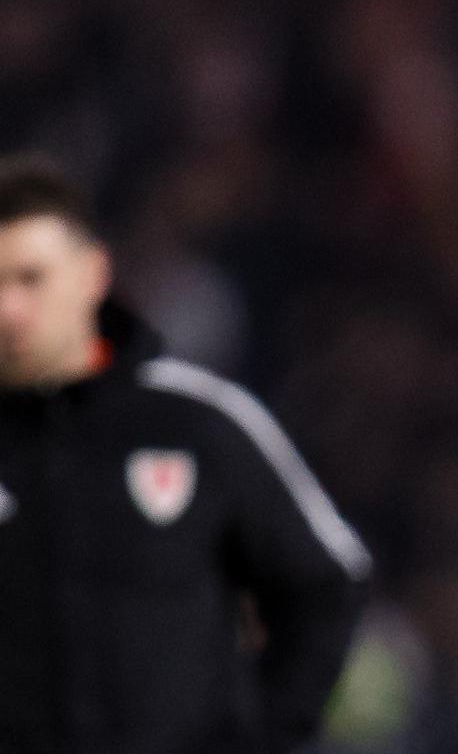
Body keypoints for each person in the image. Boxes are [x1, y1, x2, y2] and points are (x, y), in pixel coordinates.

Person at [0, 158, 371, 754]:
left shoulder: (201, 423)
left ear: (92, 273)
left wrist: (265, 736)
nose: (9, 310)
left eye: (30, 278)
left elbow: (326, 581)